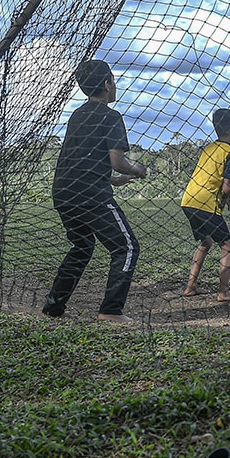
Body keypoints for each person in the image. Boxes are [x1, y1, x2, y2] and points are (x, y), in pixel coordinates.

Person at [42, 59, 147, 323]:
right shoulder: (111, 116)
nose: (115, 85)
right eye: (113, 80)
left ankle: (53, 307)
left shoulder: (77, 115)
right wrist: (136, 170)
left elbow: (82, 160)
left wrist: (113, 180)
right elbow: (116, 160)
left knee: (82, 245)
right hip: (90, 194)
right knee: (127, 247)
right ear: (106, 84)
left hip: (64, 192)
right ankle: (111, 310)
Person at [180, 107, 230, 300]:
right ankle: (223, 292)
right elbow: (226, 187)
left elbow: (215, 182)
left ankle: (190, 287)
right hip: (207, 203)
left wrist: (225, 198)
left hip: (189, 200)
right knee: (227, 245)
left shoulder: (208, 149)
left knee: (206, 241)